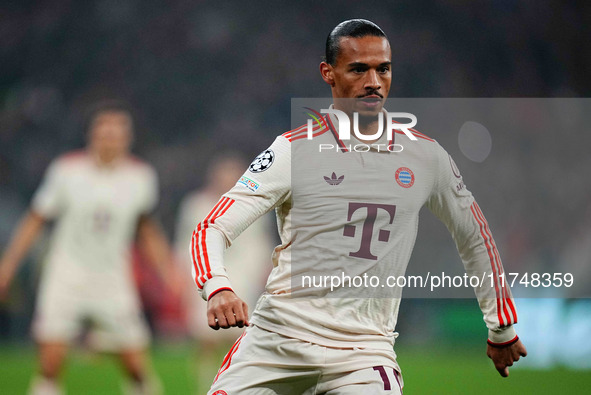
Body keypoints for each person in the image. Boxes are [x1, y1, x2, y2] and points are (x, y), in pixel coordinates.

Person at [192, 20, 527, 394]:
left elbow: (474, 237)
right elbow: (212, 226)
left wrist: (502, 326)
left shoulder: (426, 157)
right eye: (358, 69)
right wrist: (218, 286)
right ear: (328, 73)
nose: (373, 81)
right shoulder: (293, 149)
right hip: (278, 339)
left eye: (383, 68)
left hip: (364, 352)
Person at [0, 100, 174, 395]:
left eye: (117, 133)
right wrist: (7, 266)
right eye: (104, 132)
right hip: (66, 273)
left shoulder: (141, 177)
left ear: (127, 139)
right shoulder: (66, 170)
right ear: (92, 135)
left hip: (112, 278)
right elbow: (35, 219)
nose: (110, 139)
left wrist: (168, 269)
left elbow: (145, 227)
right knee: (50, 363)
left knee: (135, 364)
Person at [174, 153, 272, 392]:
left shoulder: (254, 203)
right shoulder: (195, 204)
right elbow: (185, 240)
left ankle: (237, 387)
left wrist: (266, 269)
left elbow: (260, 241)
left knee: (241, 339)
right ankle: (205, 385)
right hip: (207, 276)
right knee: (206, 339)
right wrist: (178, 272)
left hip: (243, 276)